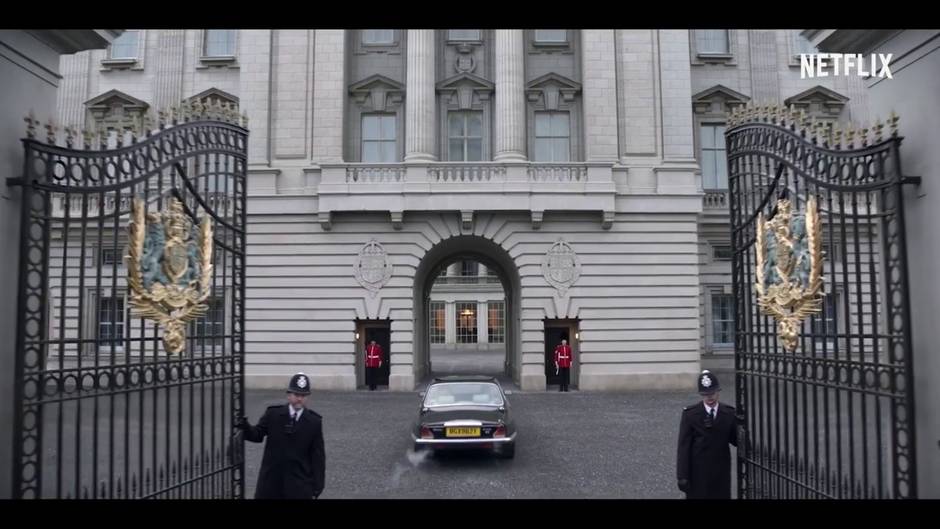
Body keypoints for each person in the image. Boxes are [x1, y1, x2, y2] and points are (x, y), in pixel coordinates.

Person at [237, 372, 325, 499]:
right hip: (271, 484)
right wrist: (245, 426)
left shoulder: (314, 422)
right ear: (288, 395)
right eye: (296, 394)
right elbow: (257, 434)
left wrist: (318, 486)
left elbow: (318, 457)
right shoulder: (273, 414)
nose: (299, 398)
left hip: (299, 486)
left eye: (303, 395)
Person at [676, 370, 739, 499]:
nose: (709, 398)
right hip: (698, 472)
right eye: (705, 394)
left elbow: (736, 440)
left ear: (718, 392)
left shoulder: (728, 413)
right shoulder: (691, 414)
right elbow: (683, 447)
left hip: (720, 471)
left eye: (712, 393)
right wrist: (682, 475)